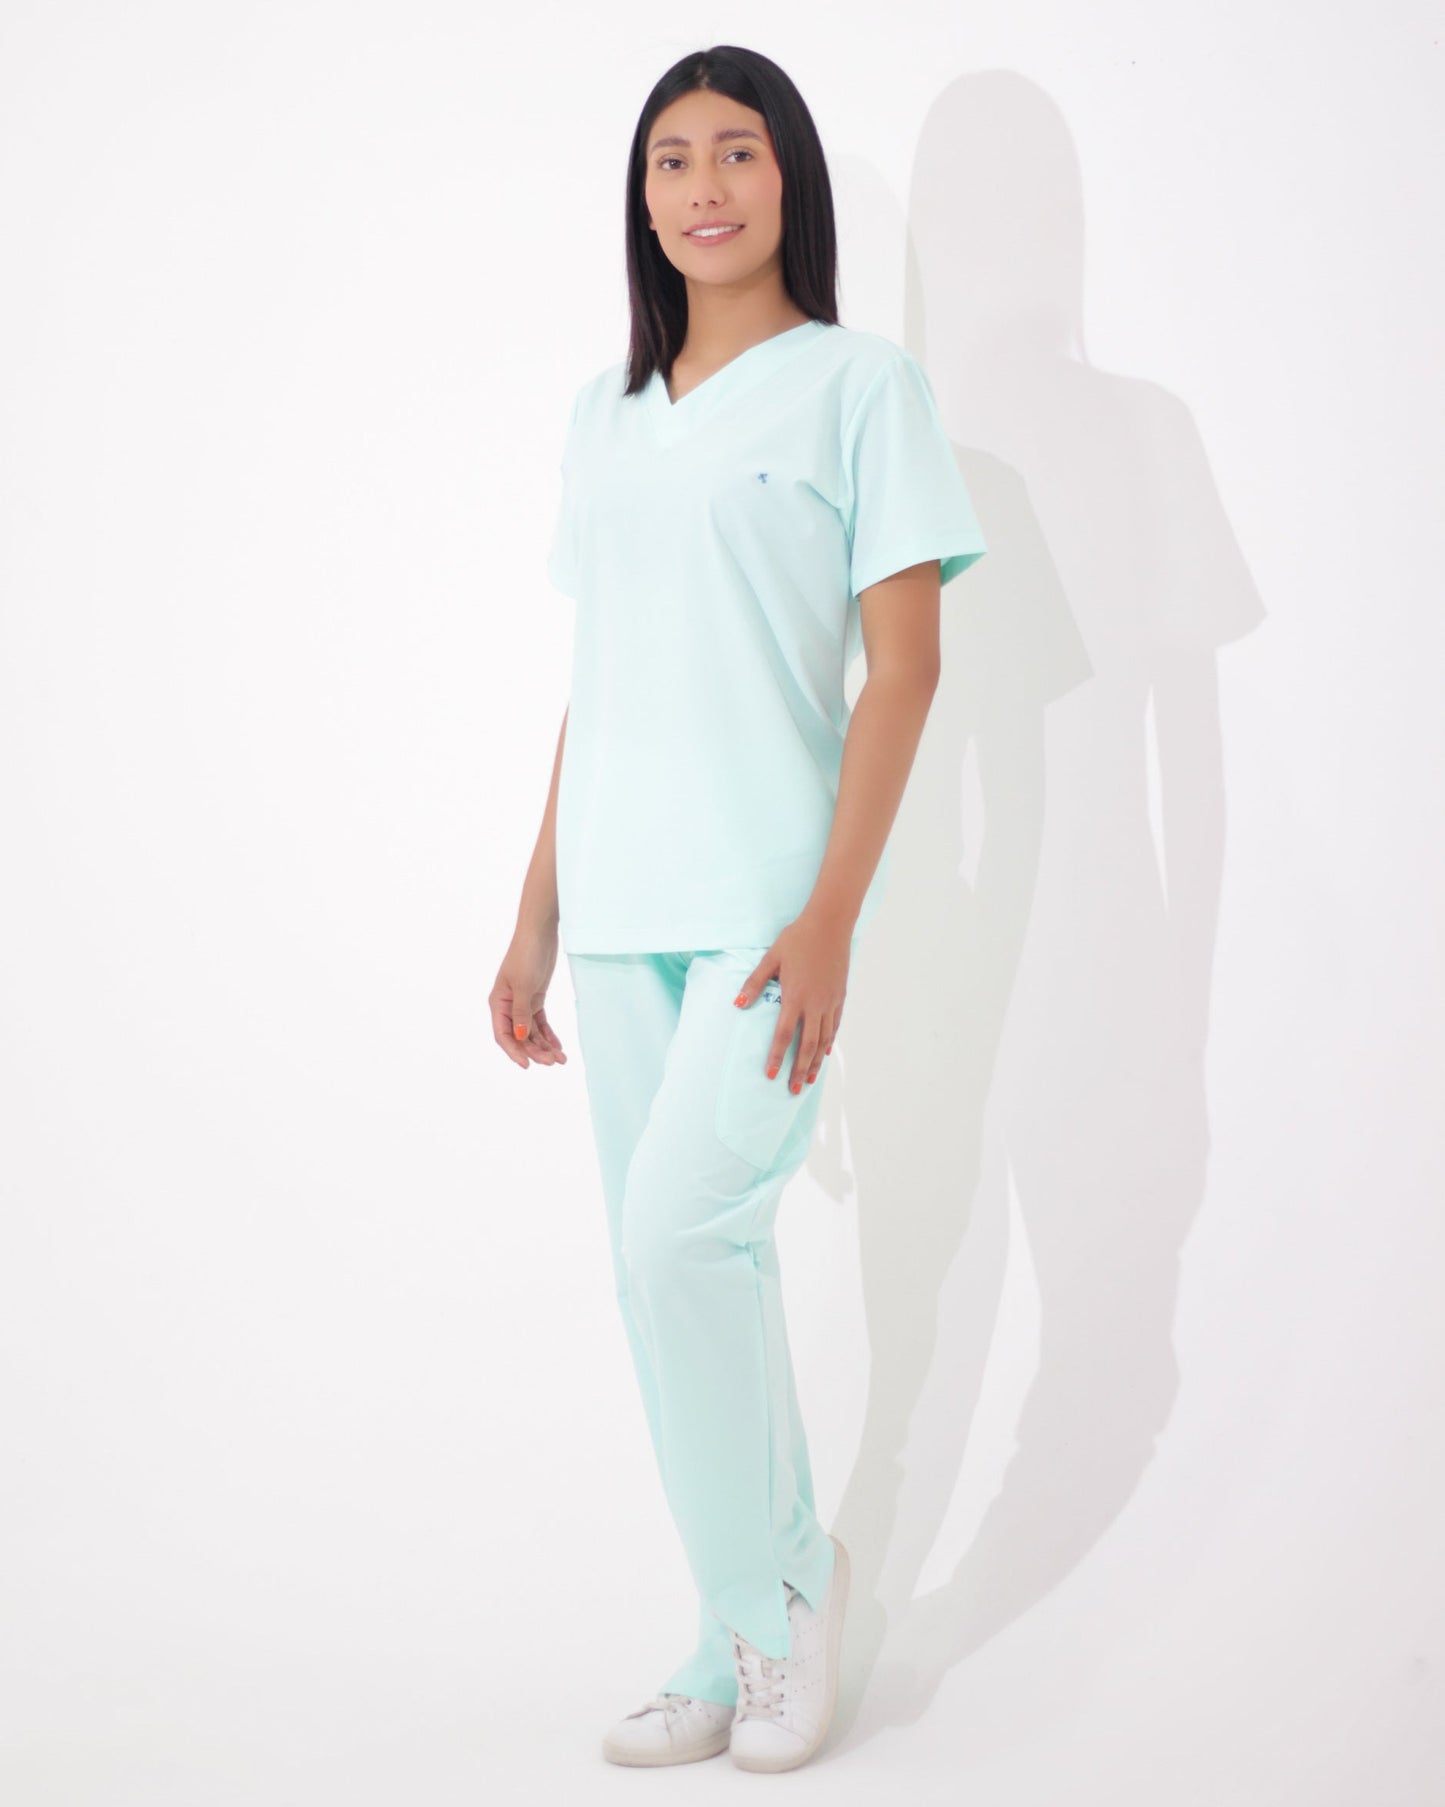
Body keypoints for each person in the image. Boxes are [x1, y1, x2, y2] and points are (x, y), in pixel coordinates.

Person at [491, 45, 987, 1774]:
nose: (704, 186)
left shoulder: (861, 388)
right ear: (640, 200)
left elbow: (905, 671)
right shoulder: (604, 412)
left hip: (771, 906)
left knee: (675, 1242)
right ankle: (729, 1631)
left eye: (740, 152)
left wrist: (835, 912)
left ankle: (786, 1600)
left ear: (791, 182)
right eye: (672, 159)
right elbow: (603, 679)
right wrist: (532, 917)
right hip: (618, 905)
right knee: (676, 1280)